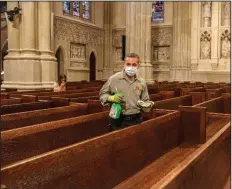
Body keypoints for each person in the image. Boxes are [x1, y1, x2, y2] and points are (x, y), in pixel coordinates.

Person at [99, 53, 153, 131]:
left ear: (138, 66)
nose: (131, 67)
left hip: (136, 119)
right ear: (124, 65)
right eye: (128, 64)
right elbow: (102, 95)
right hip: (117, 119)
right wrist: (110, 98)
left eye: (134, 64)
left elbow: (146, 100)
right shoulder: (114, 79)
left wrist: (146, 105)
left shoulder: (141, 82)